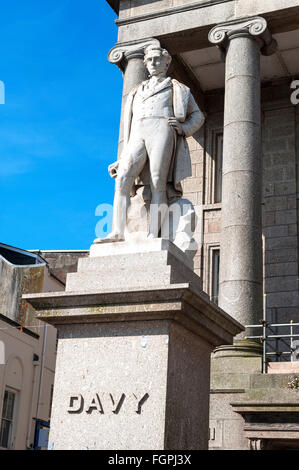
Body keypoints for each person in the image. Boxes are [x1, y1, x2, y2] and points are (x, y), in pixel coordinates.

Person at [94, 45, 205, 243]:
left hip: (162, 129)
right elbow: (128, 125)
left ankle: (154, 233)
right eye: (150, 60)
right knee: (122, 179)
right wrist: (121, 158)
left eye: (157, 59)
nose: (153, 63)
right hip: (138, 132)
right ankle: (117, 231)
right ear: (145, 64)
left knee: (157, 181)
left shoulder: (177, 88)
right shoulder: (136, 91)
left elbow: (198, 116)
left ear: (167, 62)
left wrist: (183, 128)